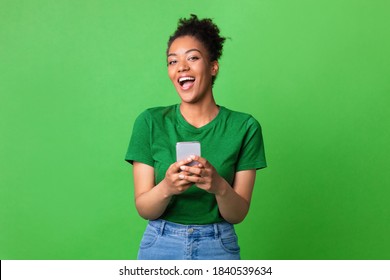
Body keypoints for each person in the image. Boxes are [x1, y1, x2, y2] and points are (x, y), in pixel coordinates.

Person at [125, 14, 266, 260]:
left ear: (213, 66)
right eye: (172, 61)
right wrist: (168, 187)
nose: (181, 67)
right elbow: (144, 207)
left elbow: (238, 213)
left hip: (219, 244)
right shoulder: (150, 122)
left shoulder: (245, 127)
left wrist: (219, 186)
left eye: (192, 57)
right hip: (160, 243)